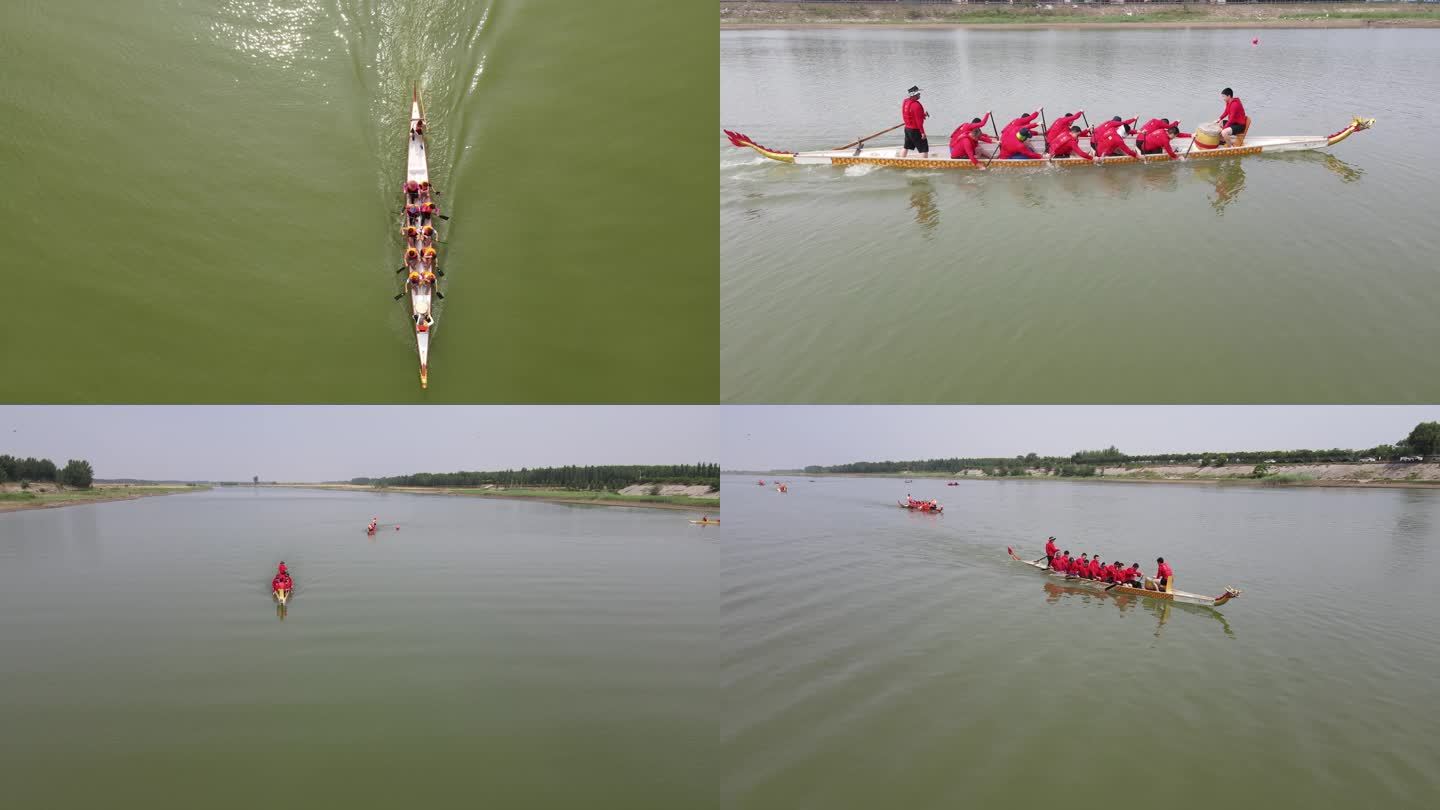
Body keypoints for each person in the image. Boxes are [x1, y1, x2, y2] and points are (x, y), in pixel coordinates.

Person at [900, 86, 930, 158]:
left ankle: (901, 159)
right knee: (924, 148)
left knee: (906, 146)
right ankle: (924, 164)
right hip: (915, 130)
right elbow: (919, 122)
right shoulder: (916, 105)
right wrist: (922, 133)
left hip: (907, 129)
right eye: (918, 94)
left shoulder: (905, 101)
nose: (919, 95)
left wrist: (922, 115)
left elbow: (911, 114)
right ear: (913, 95)